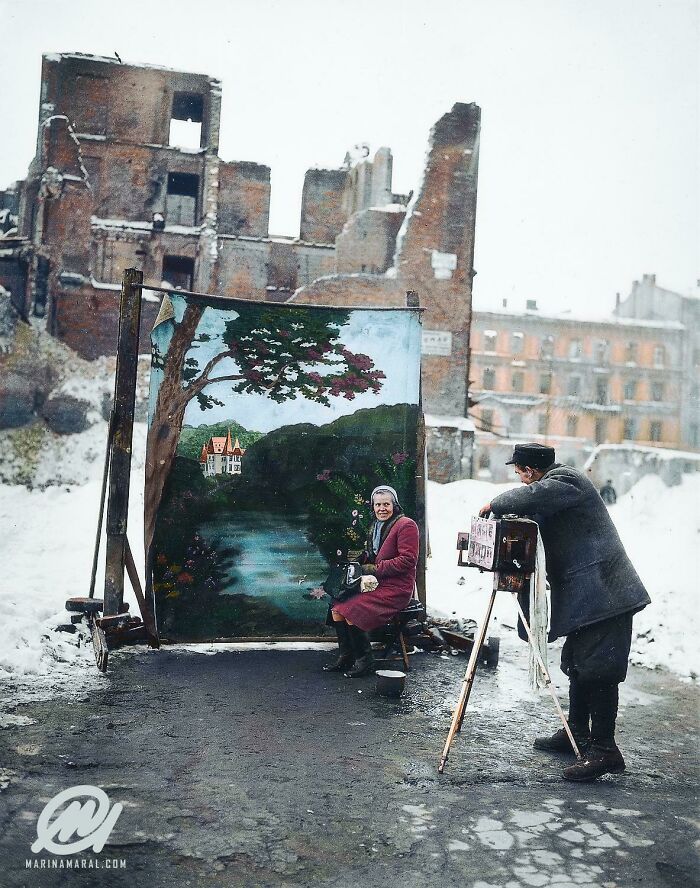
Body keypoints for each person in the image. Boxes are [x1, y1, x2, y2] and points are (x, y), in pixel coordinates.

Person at [478, 443, 650, 782]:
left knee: (598, 669)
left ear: (529, 471)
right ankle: (576, 732)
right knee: (577, 664)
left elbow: (536, 496)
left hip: (608, 594)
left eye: (520, 474)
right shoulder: (552, 499)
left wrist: (495, 503)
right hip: (589, 598)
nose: (521, 481)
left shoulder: (568, 481)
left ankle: (604, 750)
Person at [323, 485, 419, 678]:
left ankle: (365, 661)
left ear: (395, 505)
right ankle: (347, 656)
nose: (382, 508)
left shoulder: (406, 525)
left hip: (397, 588)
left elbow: (408, 560)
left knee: (352, 609)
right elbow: (375, 555)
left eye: (386, 504)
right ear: (373, 507)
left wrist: (373, 569)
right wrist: (360, 560)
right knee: (337, 606)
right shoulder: (376, 526)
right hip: (378, 582)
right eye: (378, 505)